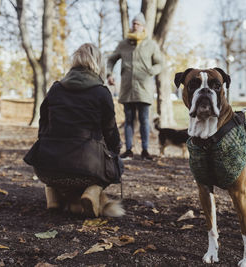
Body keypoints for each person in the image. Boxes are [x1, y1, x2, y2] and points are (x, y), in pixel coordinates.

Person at [24, 43, 124, 218]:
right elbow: (110, 132)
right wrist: (116, 152)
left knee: (59, 163)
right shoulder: (101, 93)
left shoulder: (55, 89)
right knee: (116, 163)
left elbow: (43, 126)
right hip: (86, 170)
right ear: (98, 64)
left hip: (47, 169)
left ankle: (53, 195)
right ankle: (92, 191)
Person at [107, 13, 162, 160]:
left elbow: (159, 63)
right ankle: (129, 150)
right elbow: (111, 60)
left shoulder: (150, 44)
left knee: (144, 120)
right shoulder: (123, 44)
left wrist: (151, 71)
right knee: (129, 120)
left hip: (144, 89)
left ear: (143, 26)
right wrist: (109, 74)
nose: (135, 26)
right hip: (127, 89)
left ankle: (145, 151)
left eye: (138, 24)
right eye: (134, 23)